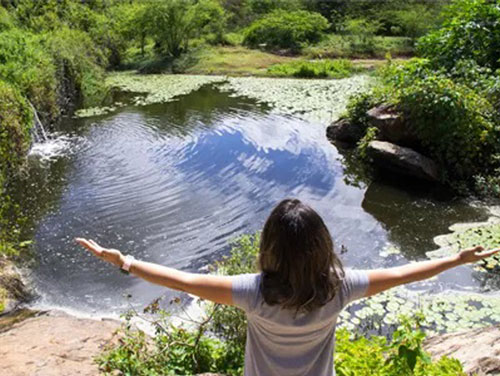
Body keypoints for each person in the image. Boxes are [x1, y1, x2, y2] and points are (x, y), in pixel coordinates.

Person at [75, 198, 498, 376]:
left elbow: (181, 280)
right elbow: (408, 273)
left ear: (269, 248)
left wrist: (125, 261)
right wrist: (455, 259)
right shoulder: (341, 287)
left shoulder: (252, 292)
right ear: (323, 247)